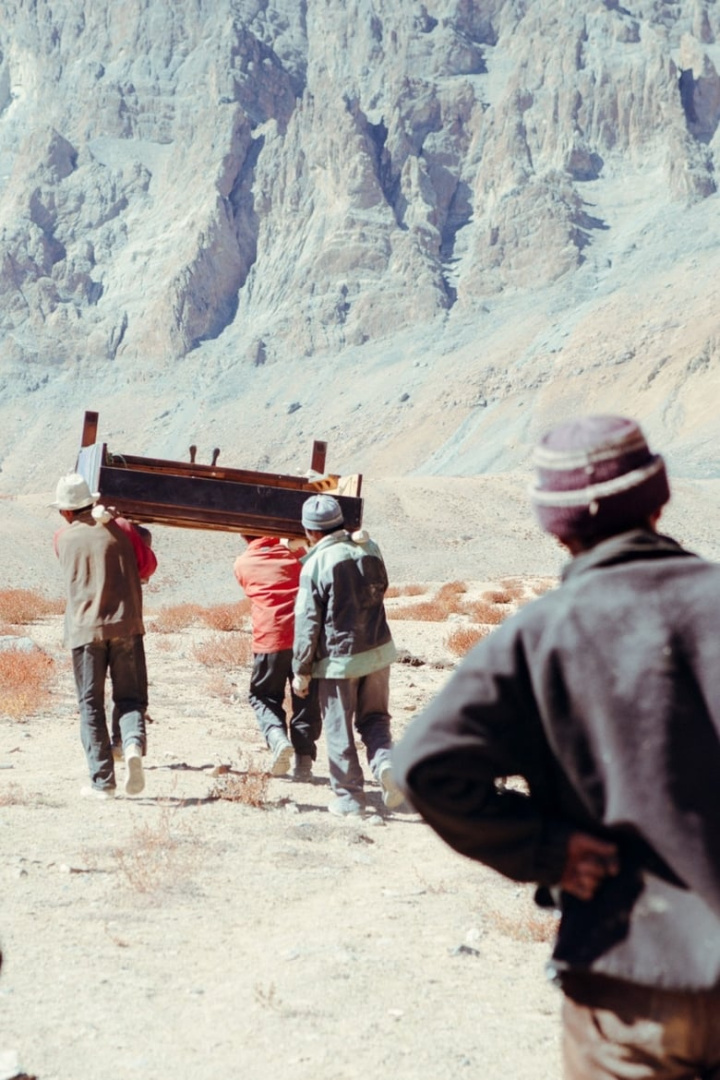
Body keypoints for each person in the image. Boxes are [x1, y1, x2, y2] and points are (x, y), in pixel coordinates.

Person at [393, 414, 720, 1080]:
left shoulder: (539, 635)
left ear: (555, 527)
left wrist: (547, 849)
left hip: (628, 981)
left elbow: (425, 766)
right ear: (658, 501)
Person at [292, 494, 404, 816]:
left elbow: (307, 622)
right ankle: (385, 764)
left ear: (312, 532)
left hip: (340, 661)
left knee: (338, 728)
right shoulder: (370, 547)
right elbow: (381, 587)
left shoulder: (315, 564)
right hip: (379, 651)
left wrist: (301, 669)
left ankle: (349, 798)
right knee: (375, 719)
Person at [52, 473, 151, 800]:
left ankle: (103, 782)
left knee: (90, 705)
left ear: (67, 511)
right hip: (126, 625)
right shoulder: (121, 527)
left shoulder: (61, 538)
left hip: (85, 631)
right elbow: (147, 566)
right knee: (130, 698)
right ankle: (131, 745)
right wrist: (123, 526)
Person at [233, 535, 321, 778]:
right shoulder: (297, 553)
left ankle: (277, 737)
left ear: (243, 534)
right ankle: (304, 763)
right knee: (306, 698)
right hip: (305, 638)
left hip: (269, 639)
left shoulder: (243, 563)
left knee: (263, 696)